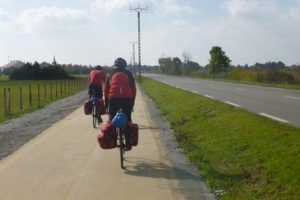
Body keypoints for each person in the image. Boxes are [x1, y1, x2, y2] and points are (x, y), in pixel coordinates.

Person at [104, 58, 136, 122]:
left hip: (113, 99)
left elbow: (106, 90)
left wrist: (107, 104)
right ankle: (127, 130)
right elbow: (133, 89)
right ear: (125, 65)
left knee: (111, 118)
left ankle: (112, 129)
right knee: (128, 119)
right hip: (126, 99)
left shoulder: (110, 73)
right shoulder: (129, 73)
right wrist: (132, 102)